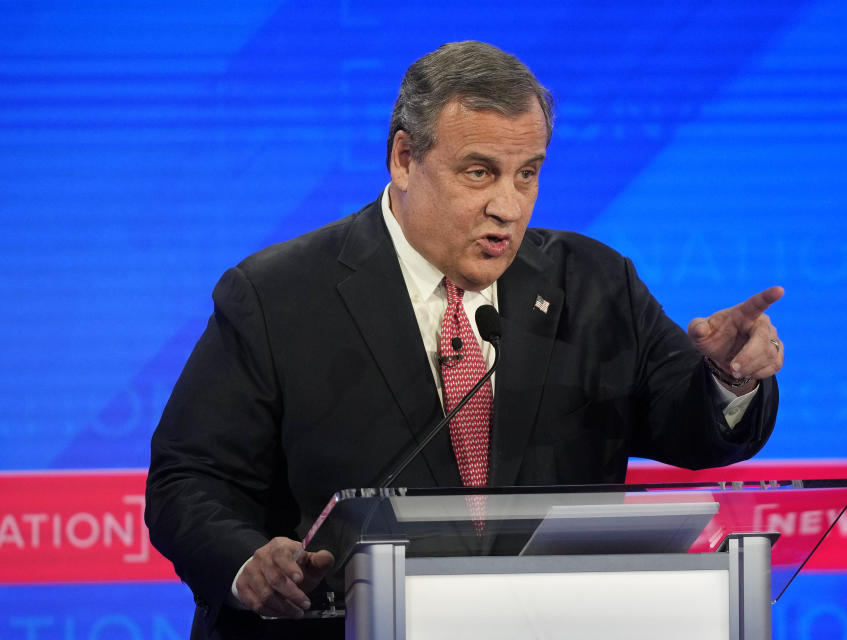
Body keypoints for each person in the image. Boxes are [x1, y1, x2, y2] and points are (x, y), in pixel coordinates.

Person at [145, 41, 783, 639]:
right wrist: (248, 562)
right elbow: (189, 479)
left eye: (527, 174)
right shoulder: (276, 294)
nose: (509, 205)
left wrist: (729, 378)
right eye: (480, 173)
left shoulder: (592, 283)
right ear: (403, 158)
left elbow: (687, 424)